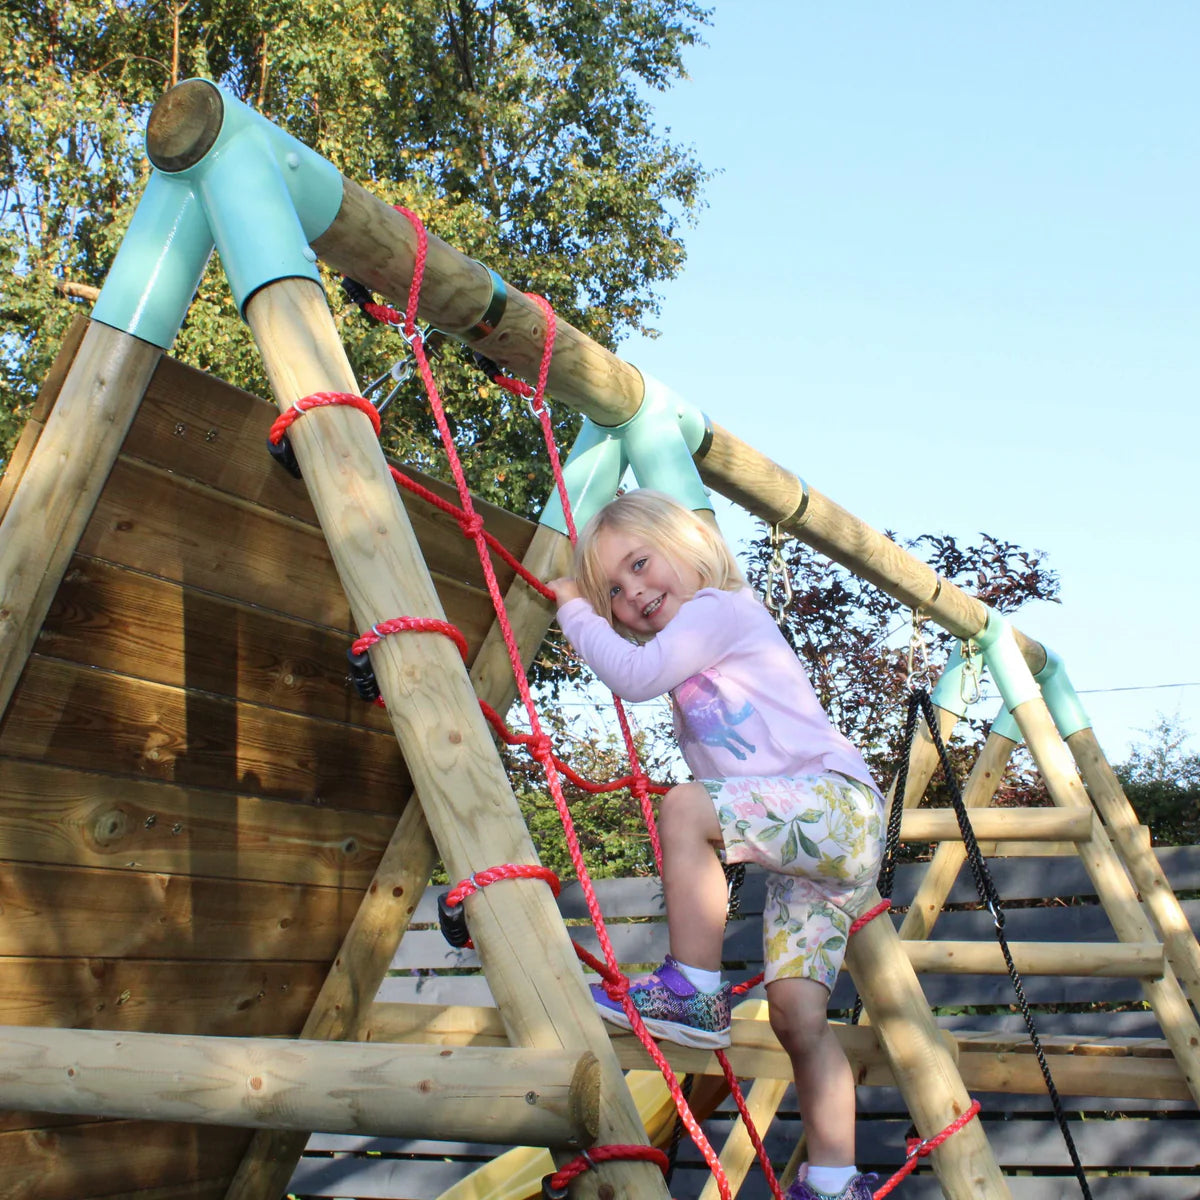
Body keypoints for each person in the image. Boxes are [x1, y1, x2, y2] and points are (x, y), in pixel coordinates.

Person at [549, 489, 884, 1200]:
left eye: (640, 563)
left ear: (687, 545)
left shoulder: (719, 609)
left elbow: (634, 676)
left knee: (685, 807)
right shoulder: (690, 650)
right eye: (613, 589)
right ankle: (834, 1182)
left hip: (835, 807)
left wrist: (573, 607)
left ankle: (694, 993)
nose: (633, 592)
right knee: (800, 1021)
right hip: (810, 859)